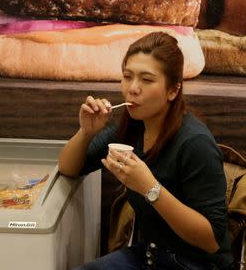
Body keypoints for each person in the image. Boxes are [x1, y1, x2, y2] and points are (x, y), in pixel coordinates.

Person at [59, 32, 233, 270]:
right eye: (127, 77)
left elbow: (211, 240)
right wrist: (86, 132)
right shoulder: (132, 129)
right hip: (151, 255)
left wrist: (150, 188)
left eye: (147, 80)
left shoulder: (195, 143)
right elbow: (68, 168)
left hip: (195, 264)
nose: (132, 88)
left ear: (173, 90)